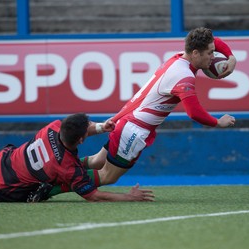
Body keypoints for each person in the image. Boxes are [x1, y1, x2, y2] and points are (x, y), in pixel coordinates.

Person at [46, 27, 237, 197]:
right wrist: (218, 122)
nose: (213, 56)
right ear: (195, 53)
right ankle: (51, 187)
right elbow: (194, 113)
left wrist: (230, 57)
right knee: (106, 176)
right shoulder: (183, 76)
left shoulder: (180, 57)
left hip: (128, 120)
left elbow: (216, 41)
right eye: (210, 53)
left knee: (97, 161)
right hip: (134, 130)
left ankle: (52, 172)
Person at [0, 113, 154, 202]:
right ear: (80, 140)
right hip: (14, 188)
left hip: (6, 162)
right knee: (66, 181)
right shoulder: (67, 167)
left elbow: (77, 128)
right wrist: (128, 197)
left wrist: (100, 127)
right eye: (87, 130)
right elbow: (93, 195)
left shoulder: (53, 127)